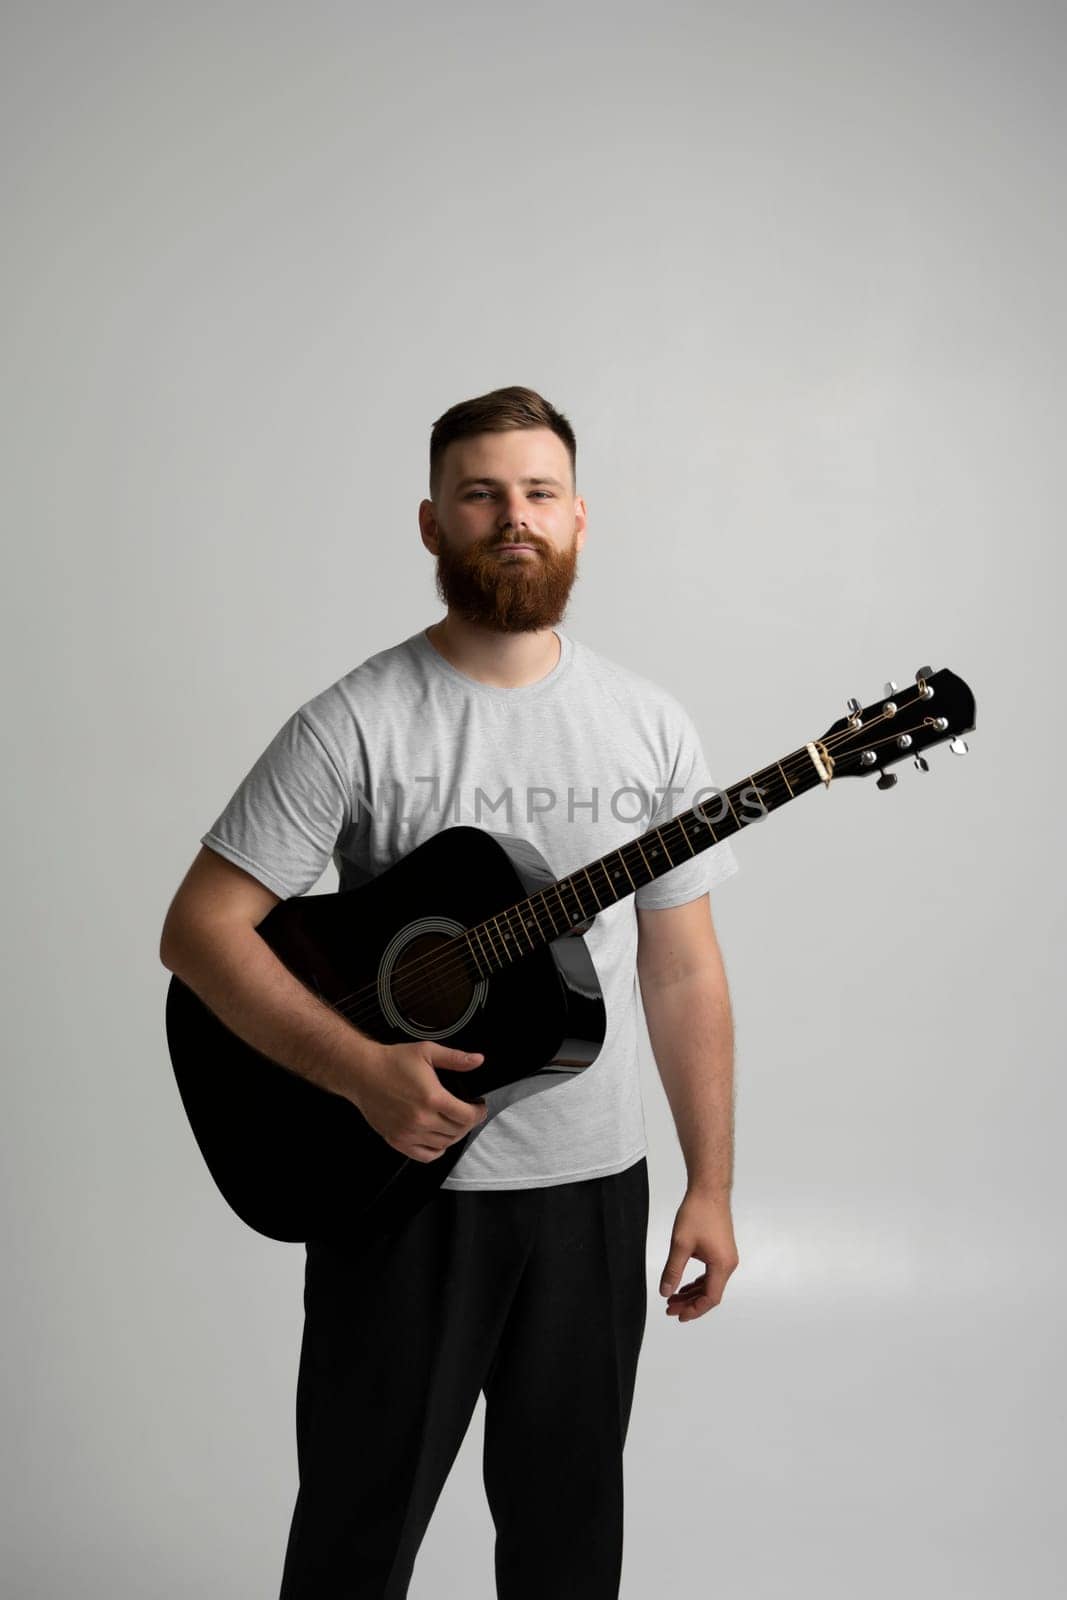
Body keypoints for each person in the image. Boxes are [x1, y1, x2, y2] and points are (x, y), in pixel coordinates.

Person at [159, 385, 741, 1598]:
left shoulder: (646, 726)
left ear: (579, 519)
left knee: (567, 1537)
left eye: (536, 493)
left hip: (592, 1194)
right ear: (431, 524)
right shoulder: (355, 721)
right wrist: (358, 1069)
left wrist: (711, 1183)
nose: (510, 517)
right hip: (398, 1191)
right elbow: (199, 930)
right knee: (356, 1536)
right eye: (479, 494)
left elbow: (680, 964)